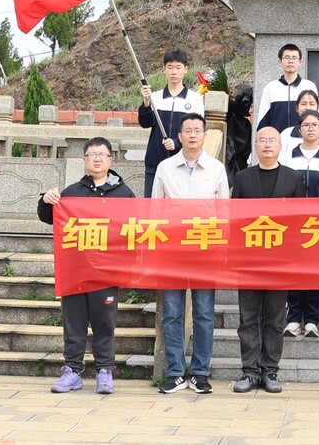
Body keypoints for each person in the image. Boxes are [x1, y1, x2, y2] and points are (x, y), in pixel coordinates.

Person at [37, 136, 132, 395]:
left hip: (106, 271)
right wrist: (46, 200)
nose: (97, 159)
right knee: (74, 322)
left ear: (111, 159)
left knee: (104, 323)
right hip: (76, 270)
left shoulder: (124, 194)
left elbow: (134, 231)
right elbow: (49, 217)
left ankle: (104, 371)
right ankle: (72, 371)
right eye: (92, 155)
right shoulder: (71, 193)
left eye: (102, 154)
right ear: (84, 161)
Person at [150, 112, 230, 393]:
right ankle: (174, 372)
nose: (193, 135)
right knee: (172, 312)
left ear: (205, 136)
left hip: (205, 249)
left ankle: (200, 372)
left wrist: (222, 249)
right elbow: (155, 210)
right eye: (188, 130)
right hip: (171, 251)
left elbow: (224, 211)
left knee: (204, 313)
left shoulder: (217, 169)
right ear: (179, 136)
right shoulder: (165, 167)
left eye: (198, 130)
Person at [228, 126, 303, 392]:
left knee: (273, 319)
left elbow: (299, 223)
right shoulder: (244, 178)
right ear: (256, 145)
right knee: (248, 318)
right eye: (262, 141)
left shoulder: (294, 179)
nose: (267, 145)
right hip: (248, 262)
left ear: (281, 145)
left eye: (272, 141)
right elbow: (233, 222)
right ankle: (249, 372)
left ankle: (270, 371)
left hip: (280, 263)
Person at [283, 111, 319, 339]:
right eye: (306, 125)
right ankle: (293, 318)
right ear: (299, 129)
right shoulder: (287, 157)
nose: (311, 128)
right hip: (293, 225)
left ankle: (312, 320)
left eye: (315, 125)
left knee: (315, 273)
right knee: (294, 271)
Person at [138, 50, 204, 197]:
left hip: (182, 164)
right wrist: (146, 103)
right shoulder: (155, 97)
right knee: (152, 209)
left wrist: (177, 143)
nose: (174, 72)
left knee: (178, 210)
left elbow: (197, 132)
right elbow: (145, 123)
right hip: (155, 163)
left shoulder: (194, 99)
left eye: (178, 67)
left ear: (186, 70)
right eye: (170, 67)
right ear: (164, 69)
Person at [254, 43, 313, 145]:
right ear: (280, 61)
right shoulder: (271, 87)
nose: (290, 61)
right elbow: (263, 120)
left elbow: (315, 117)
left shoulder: (308, 86)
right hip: (277, 144)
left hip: (303, 143)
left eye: (294, 58)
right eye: (287, 57)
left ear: (300, 62)